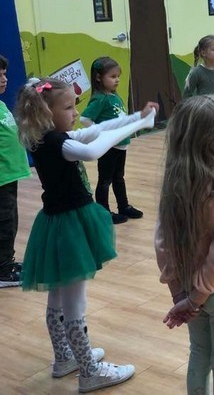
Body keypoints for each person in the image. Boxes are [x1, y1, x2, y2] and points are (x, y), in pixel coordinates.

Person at [15, 77, 157, 392]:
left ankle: (64, 357)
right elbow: (92, 150)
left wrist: (137, 118)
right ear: (47, 112)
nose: (75, 113)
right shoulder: (59, 143)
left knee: (57, 298)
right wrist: (137, 126)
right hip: (71, 228)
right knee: (74, 303)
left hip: (55, 224)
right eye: (68, 107)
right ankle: (90, 372)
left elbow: (94, 130)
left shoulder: (46, 138)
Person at [155, 95, 214, 394]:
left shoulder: (173, 184)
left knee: (199, 353)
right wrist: (196, 298)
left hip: (186, 284)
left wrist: (181, 293)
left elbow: (162, 243)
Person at [80, 56, 143, 225]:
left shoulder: (113, 96)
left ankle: (124, 206)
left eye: (118, 76)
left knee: (118, 178)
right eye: (113, 76)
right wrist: (101, 134)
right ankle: (103, 212)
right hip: (109, 147)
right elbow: (85, 118)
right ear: (98, 78)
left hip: (120, 146)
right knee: (105, 180)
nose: (117, 80)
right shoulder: (101, 98)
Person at [0, 53, 31, 288]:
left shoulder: (1, 105)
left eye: (4, 74)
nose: (4, 79)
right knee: (4, 223)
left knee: (10, 220)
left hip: (10, 174)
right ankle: (3, 271)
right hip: (1, 177)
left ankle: (6, 262)